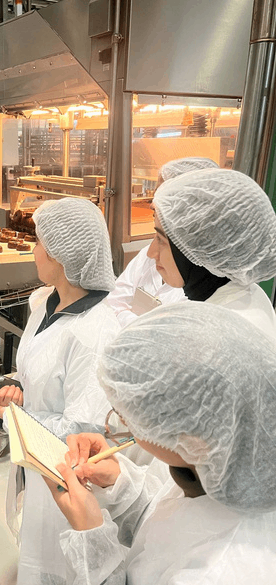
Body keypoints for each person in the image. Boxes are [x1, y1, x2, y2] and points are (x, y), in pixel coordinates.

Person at [46, 302, 276, 584]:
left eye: (130, 417)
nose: (122, 425)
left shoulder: (221, 572)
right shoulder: (219, 467)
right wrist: (119, 484)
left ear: (191, 440)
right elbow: (169, 524)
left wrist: (92, 543)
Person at [0, 197, 121, 585]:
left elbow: (80, 434)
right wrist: (17, 392)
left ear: (62, 255)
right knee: (36, 544)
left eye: (38, 242)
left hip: (64, 477)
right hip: (35, 459)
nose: (33, 250)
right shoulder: (46, 301)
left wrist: (12, 418)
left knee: (58, 561)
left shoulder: (94, 333)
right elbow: (39, 372)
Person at [148, 167, 276, 338]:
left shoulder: (211, 334)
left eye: (161, 239)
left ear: (198, 247)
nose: (151, 253)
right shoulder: (247, 295)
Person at [107, 157, 219, 327]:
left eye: (163, 195)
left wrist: (127, 317)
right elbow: (112, 303)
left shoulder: (201, 281)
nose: (152, 204)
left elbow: (166, 333)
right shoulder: (147, 255)